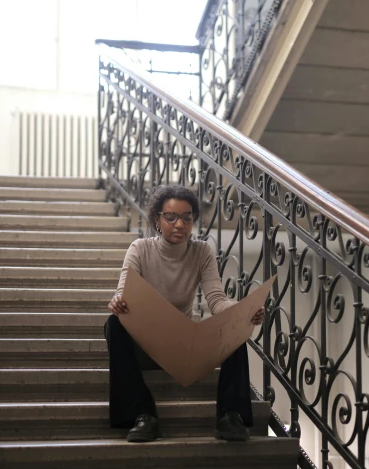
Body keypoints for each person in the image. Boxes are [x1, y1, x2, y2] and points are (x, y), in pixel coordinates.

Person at [104, 185, 265, 443]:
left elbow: (216, 299)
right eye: (171, 217)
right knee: (114, 324)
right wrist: (118, 302)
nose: (179, 224)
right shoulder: (140, 249)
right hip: (147, 346)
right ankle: (143, 415)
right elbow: (124, 293)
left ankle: (230, 417)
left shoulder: (202, 252)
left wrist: (243, 312)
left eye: (187, 218)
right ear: (157, 220)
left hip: (184, 349)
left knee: (234, 328)